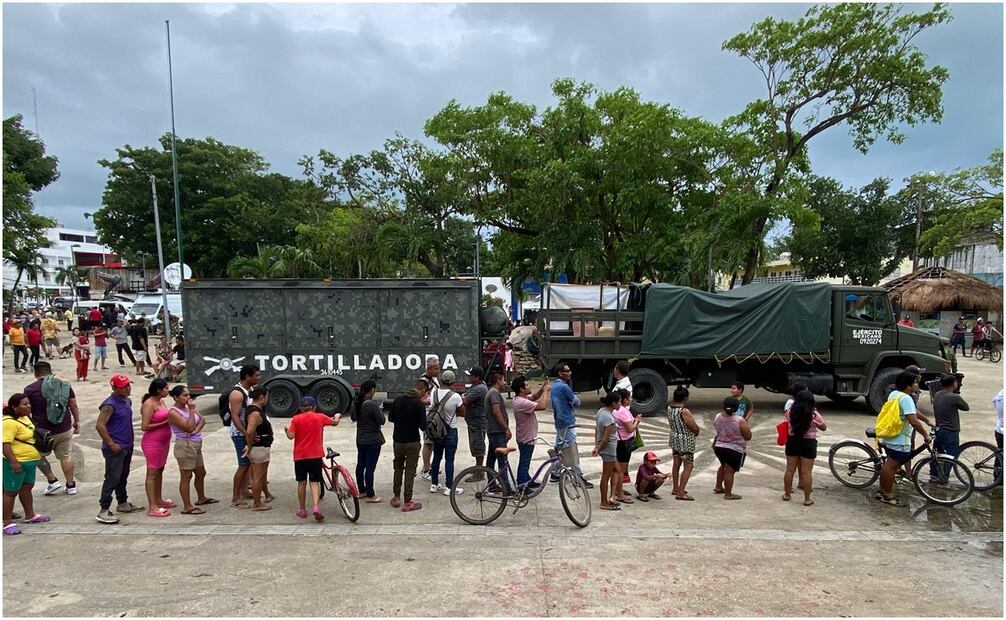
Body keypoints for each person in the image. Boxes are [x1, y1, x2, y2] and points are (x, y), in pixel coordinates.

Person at [877, 371, 933, 507]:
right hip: (900, 440)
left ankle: (881, 491)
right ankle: (888, 495)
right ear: (908, 386)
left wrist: (926, 420)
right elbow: (913, 420)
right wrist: (925, 435)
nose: (916, 385)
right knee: (891, 467)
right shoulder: (906, 398)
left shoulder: (895, 394)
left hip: (890, 436)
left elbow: (912, 411)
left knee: (889, 465)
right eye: (915, 382)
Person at [94, 374, 144, 523]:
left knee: (123, 476)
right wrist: (111, 443)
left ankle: (122, 502)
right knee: (112, 478)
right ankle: (104, 509)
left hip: (127, 445)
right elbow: (100, 425)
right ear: (114, 388)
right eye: (123, 387)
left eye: (128, 385)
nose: (128, 389)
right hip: (115, 448)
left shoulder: (127, 401)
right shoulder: (109, 405)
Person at [25, 362, 80, 496]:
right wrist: (77, 421)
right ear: (50, 371)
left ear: (35, 373)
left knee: (37, 455)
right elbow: (73, 404)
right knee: (65, 457)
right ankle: (71, 485)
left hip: (42, 432)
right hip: (64, 427)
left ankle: (52, 480)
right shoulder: (64, 385)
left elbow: (26, 410)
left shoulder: (30, 389)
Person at [285, 395, 341, 521]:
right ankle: (316, 506)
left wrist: (286, 430)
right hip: (315, 455)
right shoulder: (320, 417)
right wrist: (337, 416)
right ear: (314, 407)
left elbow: (291, 436)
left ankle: (302, 510)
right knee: (314, 481)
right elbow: (335, 422)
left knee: (301, 482)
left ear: (301, 408)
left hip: (300, 456)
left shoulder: (296, 419)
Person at [3, 393, 50, 535]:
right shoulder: (8, 423)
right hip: (17, 463)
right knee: (11, 492)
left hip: (30, 462)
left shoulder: (25, 418)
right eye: (24, 404)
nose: (28, 406)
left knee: (27, 488)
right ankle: (7, 522)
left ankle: (30, 515)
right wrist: (14, 462)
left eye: (29, 403)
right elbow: (5, 445)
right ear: (14, 407)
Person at [168, 385, 217, 514]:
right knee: (186, 475)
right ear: (176, 397)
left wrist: (196, 430)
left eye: (188, 395)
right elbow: (188, 427)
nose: (188, 398)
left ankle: (201, 497)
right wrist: (191, 412)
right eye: (185, 395)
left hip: (196, 443)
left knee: (201, 472)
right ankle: (187, 506)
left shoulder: (188, 407)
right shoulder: (174, 412)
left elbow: (202, 420)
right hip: (185, 445)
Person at [140, 379, 180, 517]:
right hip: (153, 442)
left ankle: (158, 499)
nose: (168, 390)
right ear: (158, 390)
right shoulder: (149, 404)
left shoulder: (161, 401)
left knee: (160, 470)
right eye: (166, 388)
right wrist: (164, 422)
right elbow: (145, 426)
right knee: (152, 472)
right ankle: (153, 506)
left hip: (163, 441)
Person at [388, 380, 427, 512]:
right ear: (422, 390)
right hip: (413, 442)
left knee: (398, 468)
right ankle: (407, 501)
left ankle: (396, 497)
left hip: (398, 441)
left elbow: (391, 418)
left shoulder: (398, 399)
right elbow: (423, 426)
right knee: (410, 471)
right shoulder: (419, 404)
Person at [782, 391, 827, 506]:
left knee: (790, 470)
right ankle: (807, 499)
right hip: (808, 443)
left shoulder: (790, 412)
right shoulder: (814, 415)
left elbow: (787, 421)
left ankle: (787, 494)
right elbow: (823, 427)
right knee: (806, 472)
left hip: (793, 441)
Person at [550, 363, 590, 487]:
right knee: (571, 449)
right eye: (567, 371)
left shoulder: (554, 386)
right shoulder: (564, 387)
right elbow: (577, 402)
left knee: (559, 447)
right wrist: (573, 400)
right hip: (567, 422)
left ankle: (555, 472)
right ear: (560, 373)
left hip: (559, 421)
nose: (570, 373)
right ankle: (577, 476)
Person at [429, 370, 466, 496]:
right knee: (449, 460)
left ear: (442, 380)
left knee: (436, 457)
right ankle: (449, 487)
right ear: (453, 382)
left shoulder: (434, 393)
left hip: (437, 429)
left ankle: (434, 484)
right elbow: (463, 413)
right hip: (450, 430)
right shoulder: (455, 396)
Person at [228, 364, 260, 508]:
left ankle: (245, 491)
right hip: (240, 434)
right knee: (243, 465)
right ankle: (235, 497)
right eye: (256, 375)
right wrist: (245, 432)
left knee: (248, 464)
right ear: (247, 376)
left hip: (247, 432)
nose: (258, 378)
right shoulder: (237, 394)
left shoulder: (249, 391)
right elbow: (235, 416)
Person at [512, 375, 549, 489]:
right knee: (524, 461)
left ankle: (527, 479)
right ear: (521, 389)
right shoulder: (522, 403)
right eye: (527, 385)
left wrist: (542, 389)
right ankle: (521, 484)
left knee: (526, 461)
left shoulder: (521, 398)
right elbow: (542, 406)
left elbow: (535, 396)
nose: (530, 386)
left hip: (526, 435)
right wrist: (546, 392)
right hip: (526, 437)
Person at [351, 380, 385, 503]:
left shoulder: (356, 402)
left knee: (360, 465)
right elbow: (382, 420)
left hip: (360, 439)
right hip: (373, 440)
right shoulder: (371, 404)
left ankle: (362, 490)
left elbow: (353, 417)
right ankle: (370, 494)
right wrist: (380, 410)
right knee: (370, 468)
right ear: (372, 390)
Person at [929, 374, 969, 477]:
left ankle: (934, 475)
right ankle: (943, 476)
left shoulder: (937, 394)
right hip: (950, 431)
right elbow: (966, 407)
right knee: (950, 456)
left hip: (939, 429)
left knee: (937, 454)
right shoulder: (954, 397)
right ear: (954, 383)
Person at [713, 396, 752, 500]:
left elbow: (716, 427)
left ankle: (718, 486)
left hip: (719, 447)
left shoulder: (718, 416)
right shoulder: (739, 420)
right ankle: (728, 494)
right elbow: (748, 436)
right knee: (730, 471)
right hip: (734, 449)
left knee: (723, 466)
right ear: (737, 408)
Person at [242, 387, 274, 511]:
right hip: (259, 448)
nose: (267, 399)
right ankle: (257, 504)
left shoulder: (256, 410)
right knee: (258, 477)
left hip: (262, 447)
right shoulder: (255, 413)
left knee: (261, 475)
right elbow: (250, 431)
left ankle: (264, 496)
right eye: (267, 397)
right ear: (262, 397)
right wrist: (249, 445)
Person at [667, 386, 700, 501]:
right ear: (685, 398)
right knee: (688, 465)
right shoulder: (684, 411)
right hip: (685, 441)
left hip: (674, 438)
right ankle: (681, 492)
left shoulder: (670, 408)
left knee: (676, 463)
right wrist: (696, 431)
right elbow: (694, 427)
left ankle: (675, 488)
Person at [592, 392, 621, 511]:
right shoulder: (609, 418)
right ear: (613, 403)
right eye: (619, 402)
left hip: (605, 447)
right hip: (608, 449)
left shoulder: (601, 412)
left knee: (616, 470)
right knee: (606, 476)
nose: (620, 404)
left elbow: (597, 430)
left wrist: (596, 445)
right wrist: (598, 448)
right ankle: (604, 501)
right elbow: (606, 439)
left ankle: (612, 496)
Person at [612, 388, 640, 503]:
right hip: (624, 442)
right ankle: (620, 494)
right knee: (621, 470)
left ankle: (618, 490)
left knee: (617, 469)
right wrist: (636, 421)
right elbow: (630, 429)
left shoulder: (615, 410)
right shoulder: (623, 412)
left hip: (618, 441)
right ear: (624, 400)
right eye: (629, 397)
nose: (631, 399)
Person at [484, 371, 512, 488]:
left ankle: (491, 485)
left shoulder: (491, 393)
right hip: (497, 431)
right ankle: (506, 488)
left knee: (491, 459)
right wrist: (506, 428)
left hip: (493, 431)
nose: (505, 383)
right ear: (498, 381)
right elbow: (496, 412)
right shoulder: (494, 393)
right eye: (503, 380)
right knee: (502, 460)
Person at [462, 366, 489, 479]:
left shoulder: (479, 389)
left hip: (478, 422)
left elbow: (465, 400)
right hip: (473, 421)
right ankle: (478, 468)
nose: (469, 377)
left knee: (478, 445)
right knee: (475, 444)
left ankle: (479, 473)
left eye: (471, 376)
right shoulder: (475, 386)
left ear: (477, 377)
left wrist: (464, 396)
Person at [418, 355, 441, 482]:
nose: (438, 371)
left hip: (435, 414)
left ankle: (430, 465)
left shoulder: (434, 379)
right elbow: (420, 399)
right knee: (428, 443)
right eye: (436, 368)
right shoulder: (423, 382)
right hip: (427, 416)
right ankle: (426, 469)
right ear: (429, 368)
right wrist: (435, 400)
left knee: (433, 442)